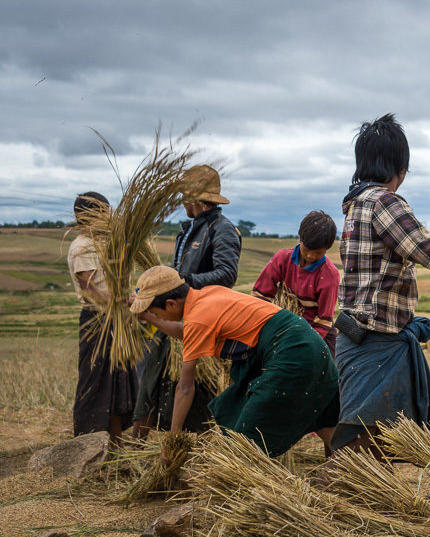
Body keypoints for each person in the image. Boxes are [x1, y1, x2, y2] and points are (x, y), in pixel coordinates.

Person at [331, 113, 430, 458]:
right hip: (375, 346)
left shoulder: (354, 206)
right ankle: (329, 507)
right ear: (400, 167)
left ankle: (356, 507)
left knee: (374, 448)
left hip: (358, 340)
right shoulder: (384, 201)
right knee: (361, 450)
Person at [130, 266, 339, 458]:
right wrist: (151, 318)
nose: (161, 318)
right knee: (320, 415)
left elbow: (185, 389)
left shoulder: (197, 319)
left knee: (243, 442)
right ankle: (343, 467)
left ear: (171, 304)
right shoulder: (208, 294)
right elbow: (185, 331)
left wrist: (172, 440)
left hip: (291, 353)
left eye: (160, 314)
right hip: (309, 343)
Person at [132, 165, 242, 438]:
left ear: (193, 199)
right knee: (150, 378)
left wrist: (180, 282)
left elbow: (227, 275)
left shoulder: (223, 229)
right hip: (174, 316)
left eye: (183, 196)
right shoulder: (189, 230)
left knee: (197, 388)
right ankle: (138, 444)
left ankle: (196, 445)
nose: (181, 201)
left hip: (200, 318)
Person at [67, 192, 138, 445]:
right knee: (95, 381)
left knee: (119, 381)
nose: (109, 217)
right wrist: (119, 300)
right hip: (97, 321)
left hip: (116, 319)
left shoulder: (106, 243)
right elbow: (89, 288)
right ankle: (87, 445)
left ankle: (116, 446)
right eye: (104, 213)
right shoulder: (81, 247)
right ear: (88, 216)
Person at [252, 211, 340, 356]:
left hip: (315, 332)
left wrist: (302, 344)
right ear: (300, 238)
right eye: (307, 249)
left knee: (327, 373)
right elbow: (260, 296)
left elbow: (323, 320)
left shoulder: (330, 275)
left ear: (327, 249)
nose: (310, 256)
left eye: (318, 252)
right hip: (280, 326)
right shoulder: (282, 259)